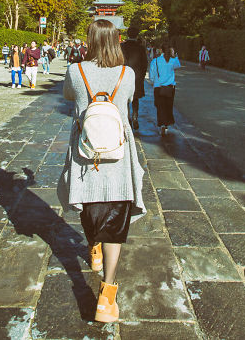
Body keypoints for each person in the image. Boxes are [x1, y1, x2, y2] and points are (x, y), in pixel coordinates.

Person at [58, 19, 145, 323]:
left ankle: (93, 246)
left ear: (90, 41)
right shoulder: (127, 74)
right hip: (118, 161)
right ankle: (107, 299)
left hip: (86, 160)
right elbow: (130, 99)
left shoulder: (75, 71)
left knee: (89, 209)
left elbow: (69, 96)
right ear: (117, 41)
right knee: (116, 223)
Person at [149, 44, 181, 135]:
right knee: (168, 106)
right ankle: (166, 124)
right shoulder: (172, 60)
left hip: (158, 87)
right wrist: (175, 56)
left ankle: (162, 124)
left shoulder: (155, 61)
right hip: (170, 87)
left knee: (160, 106)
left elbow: (151, 75)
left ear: (160, 50)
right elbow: (178, 66)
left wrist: (153, 81)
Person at [119, 27, 148, 130]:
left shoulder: (122, 46)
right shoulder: (140, 47)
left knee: (125, 98)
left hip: (124, 75)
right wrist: (142, 75)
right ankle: (135, 116)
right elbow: (145, 63)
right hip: (137, 76)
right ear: (136, 35)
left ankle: (127, 117)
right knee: (135, 98)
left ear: (128, 34)